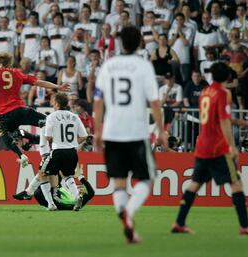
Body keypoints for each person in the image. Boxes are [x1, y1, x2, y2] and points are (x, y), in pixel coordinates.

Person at [171, 62, 248, 235]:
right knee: (235, 182)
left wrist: (243, 122)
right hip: (217, 148)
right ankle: (245, 225)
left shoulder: (205, 92)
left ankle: (179, 222)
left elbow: (217, 117)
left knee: (195, 183)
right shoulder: (223, 93)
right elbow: (223, 121)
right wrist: (232, 146)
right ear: (228, 76)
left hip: (202, 146)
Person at [93, 25, 168, 244]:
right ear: (139, 43)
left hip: (112, 131)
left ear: (119, 43)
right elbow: (154, 102)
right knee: (146, 178)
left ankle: (127, 221)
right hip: (136, 131)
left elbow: (98, 102)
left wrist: (97, 130)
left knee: (118, 182)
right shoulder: (143, 66)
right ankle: (129, 212)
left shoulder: (108, 66)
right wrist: (161, 131)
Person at [0, 52, 70, 167]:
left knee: (3, 132)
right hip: (21, 110)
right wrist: (57, 87)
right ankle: (61, 140)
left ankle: (21, 155)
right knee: (47, 122)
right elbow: (38, 82)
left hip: (5, 115)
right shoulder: (18, 73)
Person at [14, 93, 88, 211]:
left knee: (43, 173)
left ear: (57, 103)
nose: (51, 103)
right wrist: (72, 143)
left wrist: (58, 139)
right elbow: (84, 136)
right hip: (72, 152)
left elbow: (48, 137)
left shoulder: (51, 117)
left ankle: (50, 204)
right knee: (67, 175)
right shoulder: (74, 117)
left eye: (53, 101)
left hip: (58, 151)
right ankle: (77, 196)